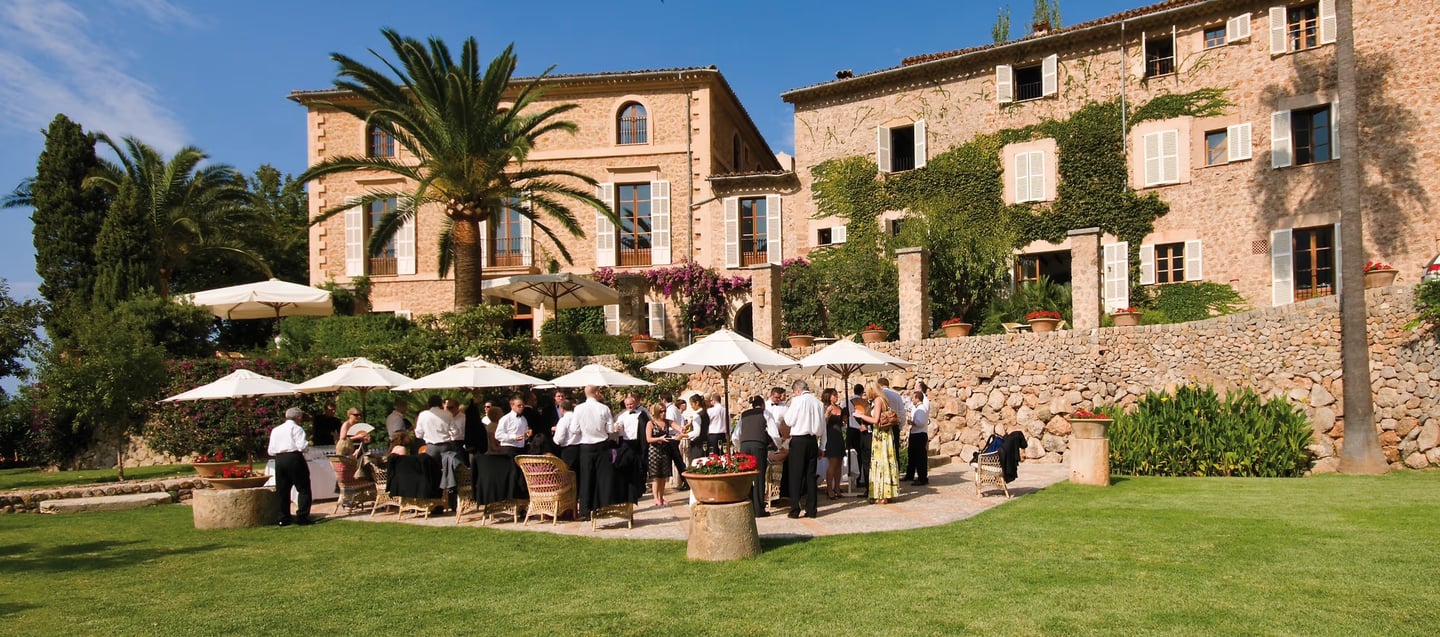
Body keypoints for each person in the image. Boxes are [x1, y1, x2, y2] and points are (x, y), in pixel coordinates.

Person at [782, 379, 825, 519]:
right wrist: (822, 446)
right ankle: (812, 509)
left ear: (798, 391)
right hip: (812, 441)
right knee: (811, 476)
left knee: (796, 475)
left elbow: (788, 421)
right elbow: (823, 427)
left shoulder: (797, 401)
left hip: (799, 440)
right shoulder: (818, 403)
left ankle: (795, 509)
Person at [573, 385, 616, 518]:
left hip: (586, 445)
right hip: (601, 445)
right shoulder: (604, 408)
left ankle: (585, 510)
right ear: (597, 393)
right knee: (601, 477)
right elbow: (610, 430)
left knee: (586, 477)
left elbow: (574, 429)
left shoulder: (578, 409)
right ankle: (601, 506)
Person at [854, 381, 899, 504]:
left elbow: (875, 420)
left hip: (881, 435)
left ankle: (883, 495)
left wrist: (861, 415)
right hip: (883, 434)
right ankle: (886, 493)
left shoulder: (878, 401)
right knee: (884, 462)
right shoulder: (882, 399)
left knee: (881, 463)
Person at [269, 407, 312, 526]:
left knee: (283, 489)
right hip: (294, 458)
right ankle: (302, 517)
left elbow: (271, 450)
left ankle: (283, 518)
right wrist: (307, 448)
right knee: (303, 488)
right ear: (298, 417)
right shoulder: (297, 428)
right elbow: (302, 446)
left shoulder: (276, 430)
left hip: (279, 459)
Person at [735, 395, 777, 516]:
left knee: (746, 476)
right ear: (763, 404)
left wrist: (740, 446)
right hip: (758, 445)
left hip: (744, 446)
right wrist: (778, 446)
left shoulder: (744, 415)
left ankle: (747, 506)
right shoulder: (765, 413)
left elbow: (736, 435)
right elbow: (774, 433)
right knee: (759, 477)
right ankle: (759, 509)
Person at [614, 394, 649, 506]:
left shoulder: (642, 414)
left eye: (631, 404)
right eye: (627, 404)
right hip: (626, 443)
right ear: (625, 405)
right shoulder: (622, 416)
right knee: (629, 466)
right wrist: (617, 428)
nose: (629, 406)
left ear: (635, 404)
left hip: (639, 442)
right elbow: (618, 428)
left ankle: (640, 487)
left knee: (640, 465)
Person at [645, 398, 675, 507]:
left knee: (664, 477)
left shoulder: (668, 422)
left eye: (665, 411)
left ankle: (662, 497)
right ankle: (656, 498)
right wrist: (659, 439)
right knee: (656, 477)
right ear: (657, 412)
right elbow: (648, 439)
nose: (663, 413)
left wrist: (683, 429)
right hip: (654, 451)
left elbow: (679, 427)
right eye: (661, 411)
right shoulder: (651, 423)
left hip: (665, 451)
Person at [658, 393, 688, 490]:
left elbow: (670, 423)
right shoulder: (674, 409)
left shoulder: (670, 410)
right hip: (674, 436)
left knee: (676, 460)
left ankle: (685, 481)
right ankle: (683, 480)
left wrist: (679, 430)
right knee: (677, 460)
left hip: (672, 438)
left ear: (663, 400)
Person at [822, 388, 848, 499]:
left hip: (839, 436)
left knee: (839, 463)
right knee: (832, 463)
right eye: (834, 395)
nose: (836, 397)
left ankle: (837, 487)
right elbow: (823, 424)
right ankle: (829, 489)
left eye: (836, 395)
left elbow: (843, 423)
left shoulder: (839, 408)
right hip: (830, 436)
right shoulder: (825, 408)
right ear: (828, 396)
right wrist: (827, 414)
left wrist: (845, 418)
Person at [877, 377, 906, 467]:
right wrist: (900, 426)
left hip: (882, 426)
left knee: (883, 451)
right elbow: (902, 412)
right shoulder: (896, 395)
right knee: (894, 450)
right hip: (894, 425)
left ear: (879, 385)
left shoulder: (879, 396)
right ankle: (895, 472)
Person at [904, 388, 930, 486]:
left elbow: (921, 422)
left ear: (917, 398)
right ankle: (910, 475)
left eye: (913, 398)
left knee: (920, 457)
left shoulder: (921, 409)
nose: (912, 400)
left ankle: (922, 477)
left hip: (919, 434)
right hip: (916, 434)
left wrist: (912, 422)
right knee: (913, 456)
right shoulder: (917, 408)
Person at [846, 383, 871, 489]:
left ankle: (850, 478)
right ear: (862, 392)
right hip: (860, 430)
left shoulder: (846, 401)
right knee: (860, 455)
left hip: (850, 429)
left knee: (850, 454)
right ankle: (859, 477)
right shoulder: (864, 402)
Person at [553, 399, 580, 469]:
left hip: (568, 451)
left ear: (562, 409)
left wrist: (556, 433)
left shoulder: (563, 420)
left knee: (568, 474)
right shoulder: (578, 418)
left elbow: (559, 439)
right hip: (580, 449)